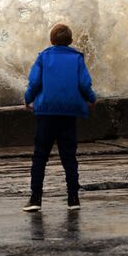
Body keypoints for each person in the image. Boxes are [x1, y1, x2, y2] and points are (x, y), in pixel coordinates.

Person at [23, 23, 96, 212]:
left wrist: (27, 99)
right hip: (69, 112)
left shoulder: (43, 57)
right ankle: (73, 199)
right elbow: (84, 84)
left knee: (40, 156)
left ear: (51, 40)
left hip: (46, 112)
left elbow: (34, 82)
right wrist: (92, 99)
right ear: (70, 41)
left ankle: (35, 199)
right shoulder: (77, 58)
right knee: (69, 157)